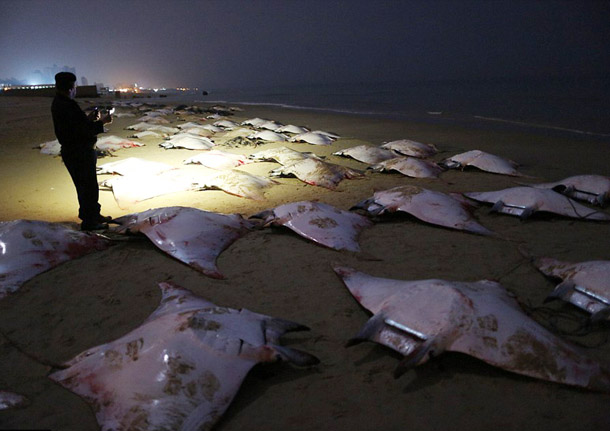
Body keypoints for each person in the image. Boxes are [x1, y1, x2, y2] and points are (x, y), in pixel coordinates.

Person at [51, 72, 113, 230]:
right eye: (75, 86)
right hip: (78, 152)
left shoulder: (61, 103)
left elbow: (77, 125)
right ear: (71, 88)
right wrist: (102, 122)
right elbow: (80, 131)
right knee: (87, 187)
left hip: (77, 151)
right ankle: (89, 221)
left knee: (89, 185)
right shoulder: (66, 105)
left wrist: (90, 118)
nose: (76, 89)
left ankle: (93, 214)